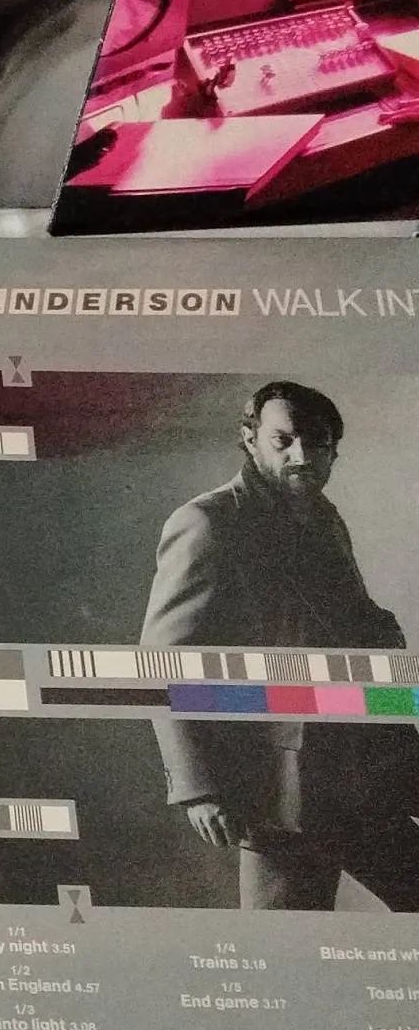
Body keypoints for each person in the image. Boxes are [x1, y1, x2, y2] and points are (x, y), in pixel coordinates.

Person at [141, 380, 419, 910]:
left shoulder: (323, 518)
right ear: (250, 439)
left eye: (317, 444)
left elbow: (349, 625)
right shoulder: (208, 522)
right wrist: (199, 789)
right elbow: (163, 664)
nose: (301, 456)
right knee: (285, 941)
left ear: (334, 451)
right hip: (281, 788)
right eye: (283, 440)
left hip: (363, 768)